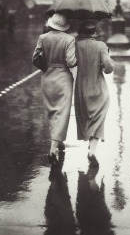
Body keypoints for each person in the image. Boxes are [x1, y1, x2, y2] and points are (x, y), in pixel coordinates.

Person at [32, 13, 77, 165]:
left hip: (47, 77)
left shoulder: (43, 38)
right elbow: (71, 62)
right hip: (63, 78)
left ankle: (58, 142)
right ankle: (52, 148)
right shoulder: (69, 39)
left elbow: (35, 58)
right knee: (62, 112)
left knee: (51, 111)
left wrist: (47, 66)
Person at [74, 19, 114, 167]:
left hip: (80, 87)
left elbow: (71, 62)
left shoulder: (75, 45)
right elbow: (108, 67)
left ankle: (90, 144)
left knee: (85, 115)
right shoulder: (101, 45)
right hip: (97, 86)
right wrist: (105, 62)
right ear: (94, 33)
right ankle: (92, 151)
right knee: (98, 116)